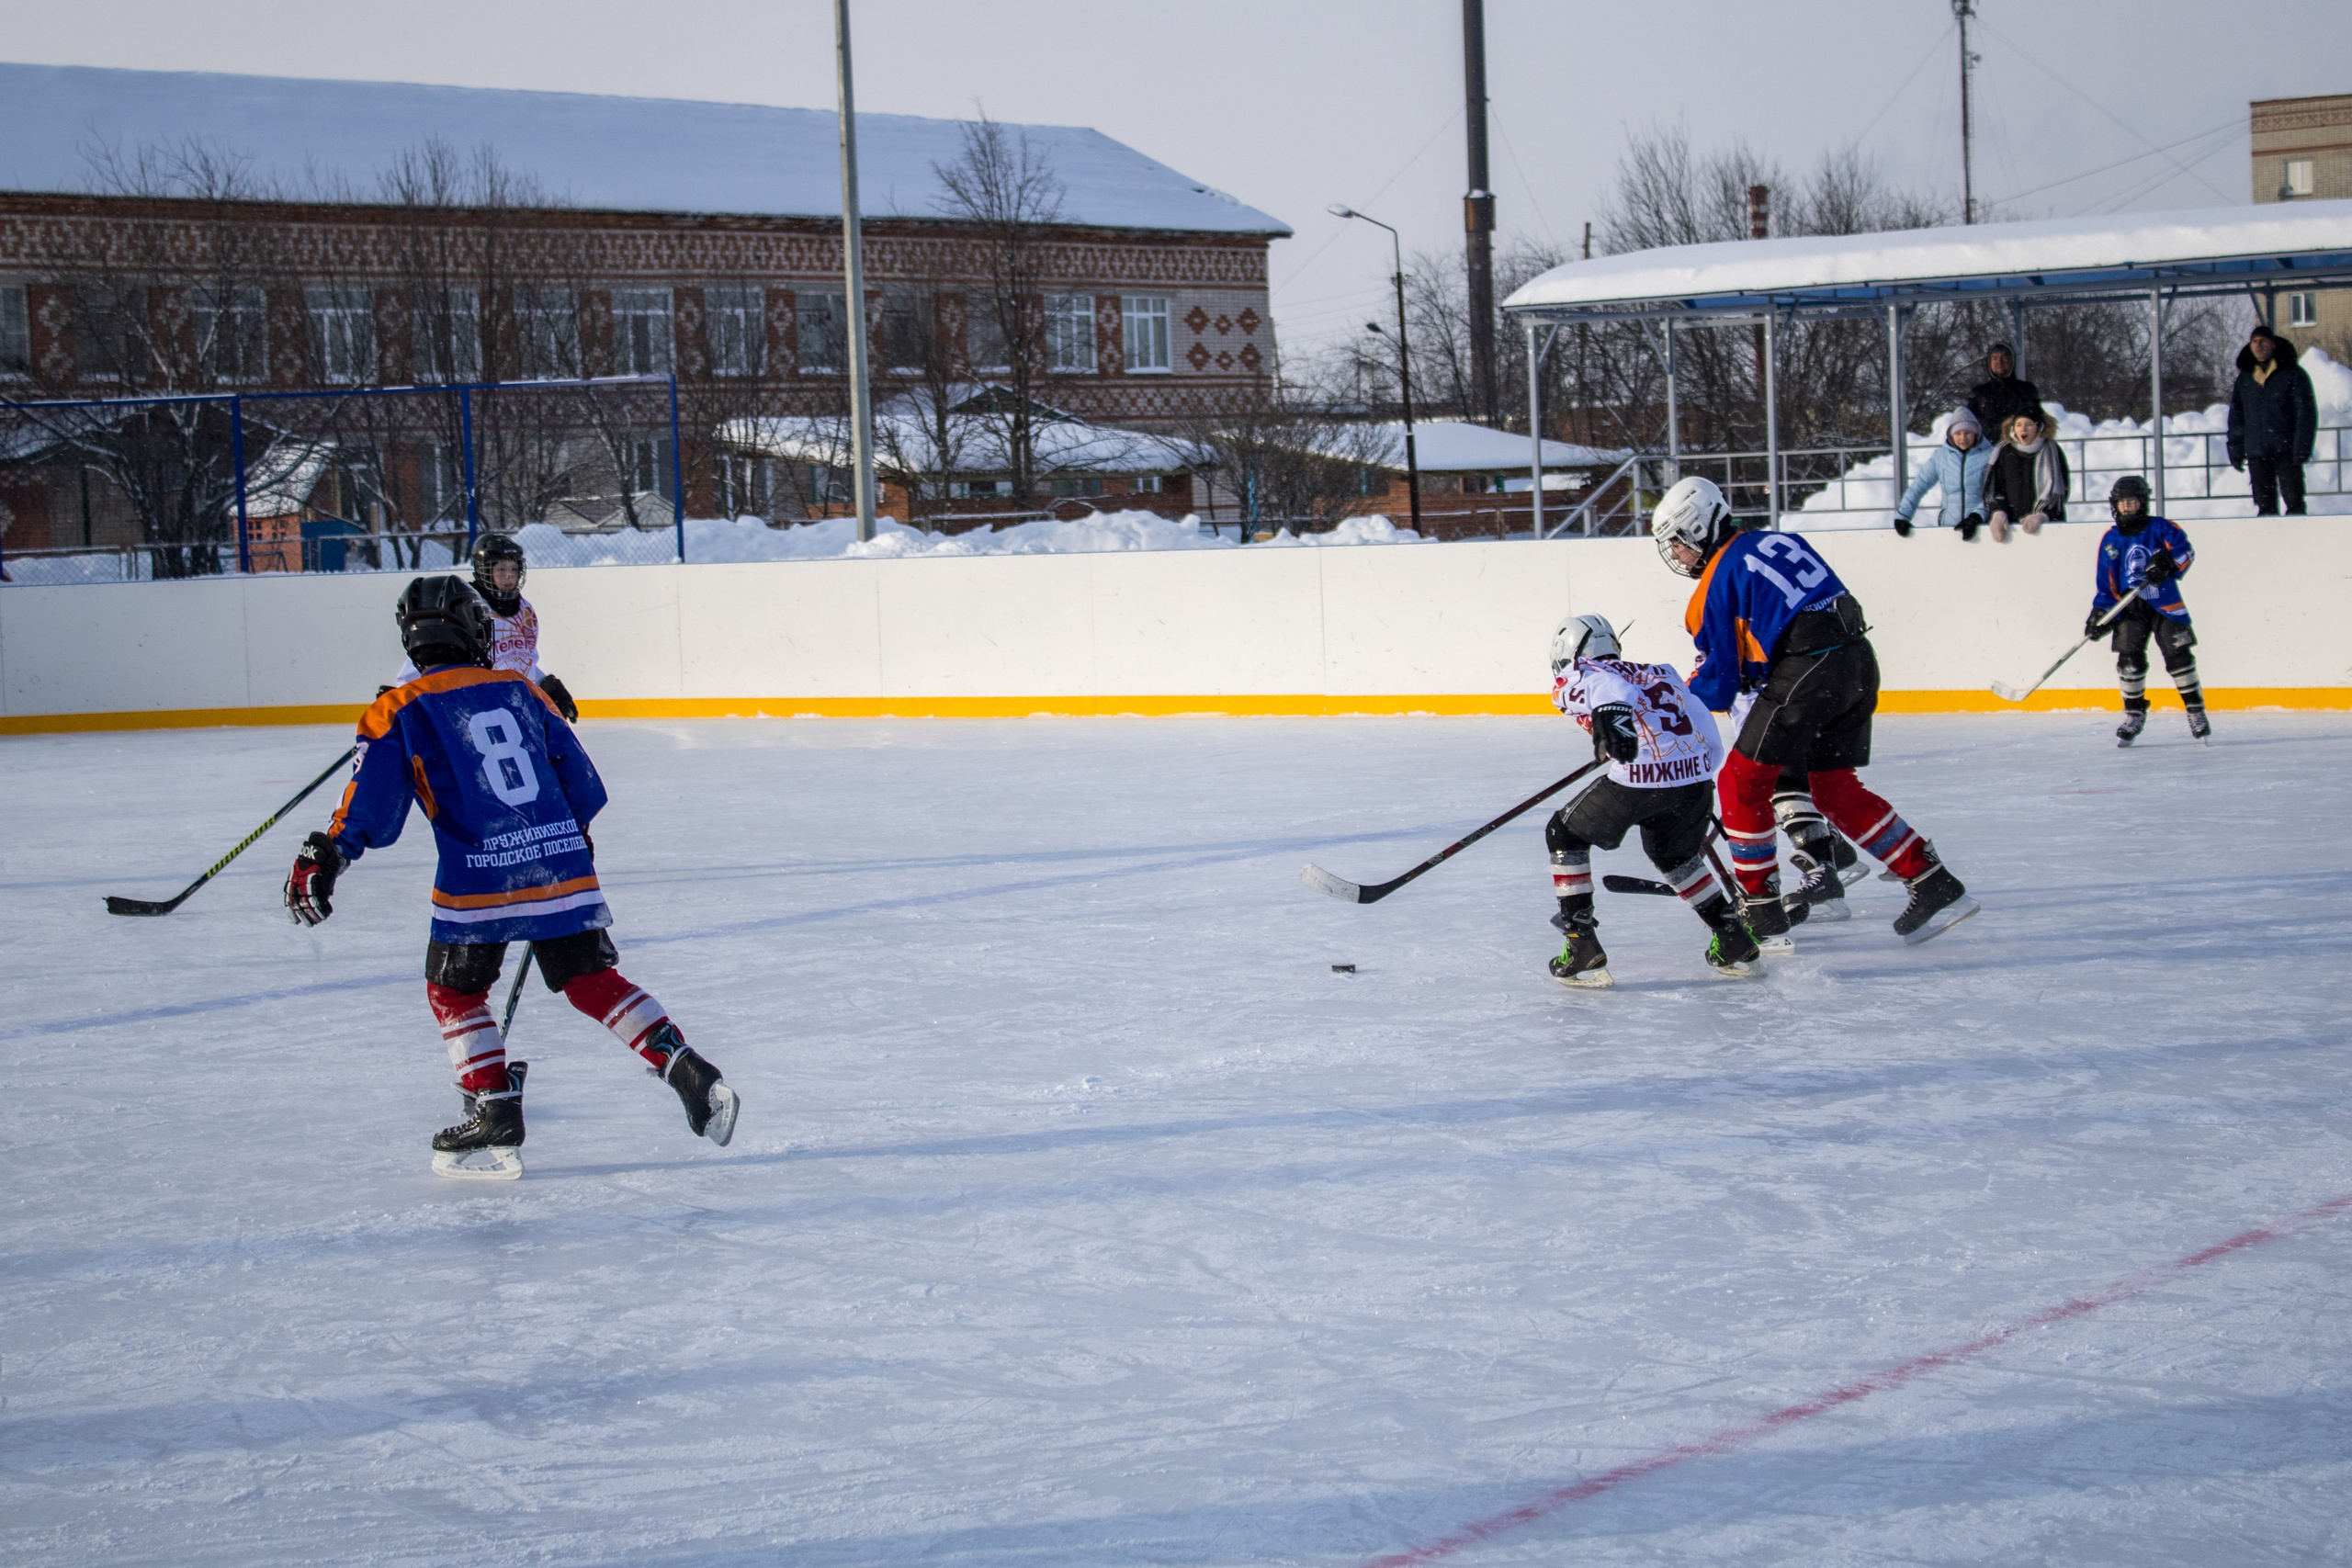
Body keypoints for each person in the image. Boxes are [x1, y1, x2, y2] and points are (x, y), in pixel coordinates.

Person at [288, 575, 737, 1179]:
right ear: (475, 630)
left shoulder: (397, 707)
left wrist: (328, 852)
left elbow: (372, 808)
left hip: (478, 879)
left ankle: (494, 1106)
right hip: (560, 861)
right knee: (589, 980)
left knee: (455, 990)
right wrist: (570, 841)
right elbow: (582, 781)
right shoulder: (522, 687)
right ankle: (687, 1068)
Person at [1651, 476, 1979, 946]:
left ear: (1700, 527)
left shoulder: (1716, 582)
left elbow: (1723, 685)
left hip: (1810, 666)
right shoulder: (1782, 540)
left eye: (1679, 544)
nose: (1679, 556)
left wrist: (1672, 703)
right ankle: (1933, 881)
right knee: (1833, 788)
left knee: (1741, 781)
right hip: (1858, 661)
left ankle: (1760, 908)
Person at [1544, 613, 1762, 986]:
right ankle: (1731, 937)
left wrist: (1611, 715)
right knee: (1675, 856)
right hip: (1695, 780)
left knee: (1563, 834)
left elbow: (1608, 691)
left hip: (1641, 780)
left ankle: (1581, 944)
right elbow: (1701, 721)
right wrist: (1696, 770)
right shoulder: (1662, 671)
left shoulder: (1580, 675)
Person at [391, 532, 579, 722]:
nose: (509, 576)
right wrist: (400, 698)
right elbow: (430, 658)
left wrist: (545, 684)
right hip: (472, 707)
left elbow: (522, 658)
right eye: (501, 569)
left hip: (516, 707)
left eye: (514, 569)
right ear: (483, 570)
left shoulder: (525, 610)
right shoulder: (465, 607)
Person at [2088, 476, 2207, 747]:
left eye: (2133, 501)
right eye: (2123, 502)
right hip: (2130, 608)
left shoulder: (2161, 527)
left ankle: (2196, 712)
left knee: (2179, 658)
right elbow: (2107, 583)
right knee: (2129, 662)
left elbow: (2185, 551)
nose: (2128, 507)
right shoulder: (2111, 540)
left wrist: (2166, 562)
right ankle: (2134, 714)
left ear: (2143, 503)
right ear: (2115, 505)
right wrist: (2100, 614)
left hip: (2165, 605)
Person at [2226, 325, 2317, 516]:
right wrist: (2236, 449)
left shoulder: (2292, 375)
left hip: (2286, 450)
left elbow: (2306, 414)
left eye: (2263, 341)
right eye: (2254, 342)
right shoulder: (2245, 379)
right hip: (2257, 451)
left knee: (2294, 501)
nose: (2258, 346)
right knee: (2264, 506)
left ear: (2273, 344)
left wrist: (2301, 447)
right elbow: (2237, 417)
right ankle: (2268, 542)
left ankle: (2299, 541)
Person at [1893, 408, 1992, 540]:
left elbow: (1993, 494)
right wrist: (1903, 516)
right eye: (1958, 433)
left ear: (1976, 433)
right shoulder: (1941, 457)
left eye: (1967, 433)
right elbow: (1919, 486)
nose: (1963, 438)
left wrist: (1976, 517)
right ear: (1951, 435)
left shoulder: (1989, 455)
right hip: (1949, 528)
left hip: (1981, 528)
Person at [1983, 410, 2068, 542]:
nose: (2023, 429)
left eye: (2028, 424)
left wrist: (2043, 516)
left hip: (2048, 526)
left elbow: (2062, 489)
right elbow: (1996, 487)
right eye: (2018, 425)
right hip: (2011, 526)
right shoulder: (2004, 452)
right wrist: (1998, 512)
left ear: (2038, 427)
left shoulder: (2052, 451)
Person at [1966, 341, 2047, 441]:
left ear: (2012, 361)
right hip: (1987, 449)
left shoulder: (2026, 390)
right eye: (1994, 358)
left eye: (2004, 357)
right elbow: (1969, 422)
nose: (1999, 361)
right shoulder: (1980, 393)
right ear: (1989, 363)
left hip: (2019, 447)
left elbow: (2037, 419)